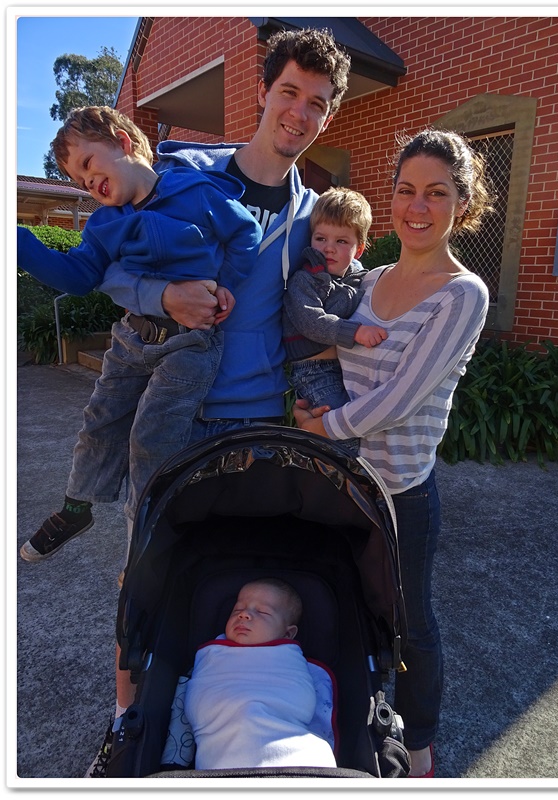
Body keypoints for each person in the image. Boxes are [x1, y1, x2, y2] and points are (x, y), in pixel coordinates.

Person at [85, 27, 351, 777]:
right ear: (263, 92)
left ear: (327, 115)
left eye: (317, 103)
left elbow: (326, 301)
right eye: (289, 93)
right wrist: (161, 295)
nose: (299, 113)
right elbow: (109, 266)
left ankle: (222, 701)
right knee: (144, 571)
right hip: (175, 412)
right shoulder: (181, 173)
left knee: (227, 572)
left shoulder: (312, 214)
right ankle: (126, 722)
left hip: (259, 420)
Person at [292, 128, 494, 777]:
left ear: (462, 204)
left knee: (409, 623)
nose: (417, 206)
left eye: (436, 193)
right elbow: (325, 346)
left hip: (400, 493)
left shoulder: (463, 294)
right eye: (406, 190)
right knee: (343, 605)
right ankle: (352, 725)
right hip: (341, 482)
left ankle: (421, 745)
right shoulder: (370, 278)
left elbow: (401, 400)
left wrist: (321, 428)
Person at [17, 106, 261, 563]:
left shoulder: (194, 191)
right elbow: (78, 277)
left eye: (88, 164)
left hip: (190, 342)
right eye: (80, 181)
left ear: (123, 142)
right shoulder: (102, 225)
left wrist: (227, 283)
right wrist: (18, 242)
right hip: (131, 338)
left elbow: (245, 233)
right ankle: (77, 506)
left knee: (152, 435)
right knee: (100, 417)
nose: (88, 183)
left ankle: (146, 535)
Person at [182, 578, 336, 769]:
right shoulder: (214, 656)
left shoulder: (290, 662)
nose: (244, 614)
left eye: (262, 612)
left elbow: (299, 701)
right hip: (220, 756)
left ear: (288, 634)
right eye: (237, 609)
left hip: (294, 752)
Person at [282, 187, 387, 453]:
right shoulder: (305, 280)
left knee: (361, 426)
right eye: (321, 238)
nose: (328, 248)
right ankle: (340, 475)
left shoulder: (359, 278)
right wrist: (355, 332)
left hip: (348, 367)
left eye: (341, 241)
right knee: (340, 435)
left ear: (358, 249)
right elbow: (312, 321)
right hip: (314, 371)